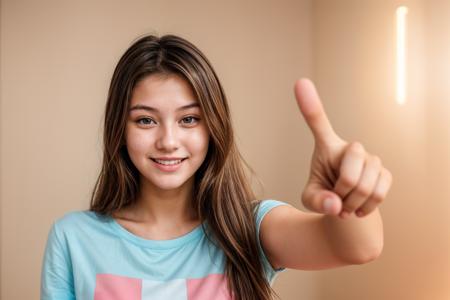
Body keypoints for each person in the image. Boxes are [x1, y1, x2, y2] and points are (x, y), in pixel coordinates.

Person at [40, 34, 392, 300]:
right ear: (120, 130)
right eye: (146, 121)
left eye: (189, 119)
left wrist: (348, 190)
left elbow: (359, 248)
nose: (168, 141)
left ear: (213, 128)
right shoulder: (74, 238)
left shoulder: (249, 229)